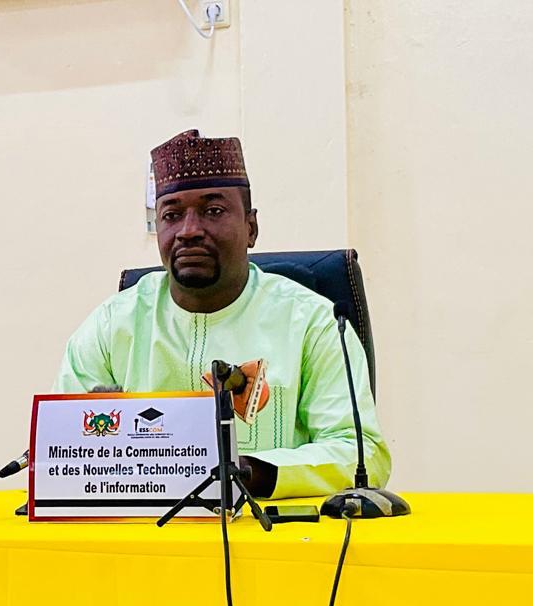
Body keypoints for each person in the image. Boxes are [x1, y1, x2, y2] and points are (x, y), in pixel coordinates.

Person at [54, 130, 390, 498]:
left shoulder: (311, 322)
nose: (189, 231)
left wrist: (249, 472)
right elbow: (60, 452)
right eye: (172, 215)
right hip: (143, 542)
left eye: (213, 211)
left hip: (274, 541)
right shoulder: (112, 325)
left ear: (251, 227)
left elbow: (363, 455)